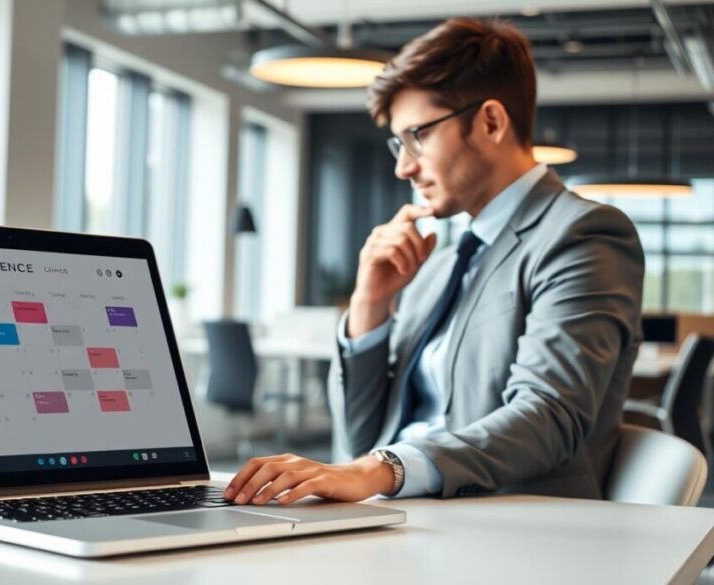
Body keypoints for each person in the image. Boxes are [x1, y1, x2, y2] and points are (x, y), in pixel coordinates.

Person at [223, 17, 644, 506]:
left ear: (490, 121)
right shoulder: (436, 269)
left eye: (417, 136)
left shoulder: (581, 235)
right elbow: (360, 436)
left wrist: (384, 467)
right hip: (398, 518)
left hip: (510, 526)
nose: (403, 166)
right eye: (398, 144)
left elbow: (547, 415)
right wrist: (370, 303)